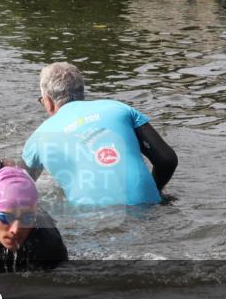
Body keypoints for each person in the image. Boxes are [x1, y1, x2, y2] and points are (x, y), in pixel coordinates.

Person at [22, 62, 177, 206]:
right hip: (148, 207)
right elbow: (167, 160)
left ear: (48, 101)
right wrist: (154, 190)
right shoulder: (118, 108)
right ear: (82, 92)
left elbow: (16, 187)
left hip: (92, 218)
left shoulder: (39, 136)